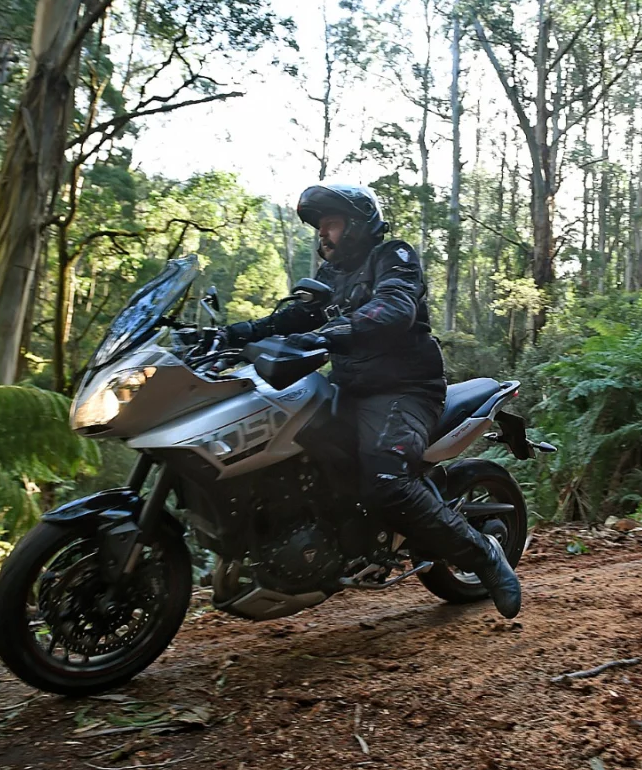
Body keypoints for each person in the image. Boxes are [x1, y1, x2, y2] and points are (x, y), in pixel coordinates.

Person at [223, 183, 522, 619]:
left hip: (405, 387)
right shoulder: (331, 275)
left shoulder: (393, 257)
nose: (324, 234)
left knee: (386, 478)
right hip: (349, 387)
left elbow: (394, 308)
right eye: (320, 227)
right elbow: (290, 317)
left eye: (332, 224)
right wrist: (233, 335)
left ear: (359, 225)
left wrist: (327, 334)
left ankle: (486, 557)